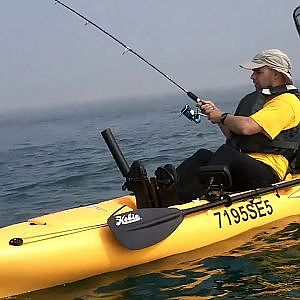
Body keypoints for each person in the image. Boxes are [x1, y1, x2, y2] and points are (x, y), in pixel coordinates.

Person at [156, 49, 300, 204]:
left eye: (258, 72)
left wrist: (222, 116)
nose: (252, 76)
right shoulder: (266, 101)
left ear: (276, 74)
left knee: (227, 153)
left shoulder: (287, 102)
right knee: (203, 154)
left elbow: (246, 127)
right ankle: (161, 192)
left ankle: (180, 201)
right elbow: (236, 136)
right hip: (246, 165)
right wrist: (217, 117)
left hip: (269, 172)